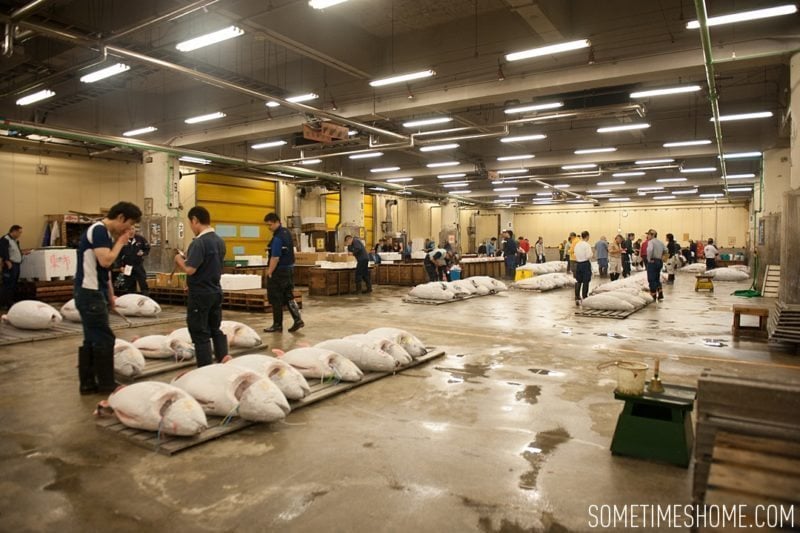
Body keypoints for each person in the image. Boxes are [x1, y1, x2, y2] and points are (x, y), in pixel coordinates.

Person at [74, 202, 141, 394]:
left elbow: (104, 270)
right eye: (128, 225)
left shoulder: (103, 233)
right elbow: (106, 260)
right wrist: (121, 241)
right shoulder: (99, 231)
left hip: (95, 292)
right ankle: (106, 384)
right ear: (120, 218)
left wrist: (110, 295)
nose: (128, 230)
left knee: (91, 338)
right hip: (90, 293)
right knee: (104, 338)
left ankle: (88, 384)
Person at [174, 206, 229, 367]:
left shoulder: (199, 243)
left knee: (200, 332)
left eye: (190, 223)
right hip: (215, 291)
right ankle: (223, 360)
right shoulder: (219, 241)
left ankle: (205, 369)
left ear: (195, 220)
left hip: (200, 295)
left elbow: (190, 269)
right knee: (215, 329)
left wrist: (179, 259)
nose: (191, 227)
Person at [262, 212, 304, 333]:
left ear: (276, 222)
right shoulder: (286, 233)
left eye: (270, 225)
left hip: (279, 272)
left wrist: (269, 272)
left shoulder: (278, 237)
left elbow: (275, 257)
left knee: (276, 298)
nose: (269, 227)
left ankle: (277, 325)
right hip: (289, 270)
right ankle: (298, 319)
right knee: (288, 296)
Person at [1, 225, 31, 309]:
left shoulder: (15, 241)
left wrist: (23, 253)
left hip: (16, 265)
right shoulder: (5, 239)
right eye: (19, 232)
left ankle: (10, 301)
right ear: (14, 231)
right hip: (10, 265)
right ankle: (4, 303)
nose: (20, 234)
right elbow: (3, 251)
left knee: (13, 284)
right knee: (8, 284)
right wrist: (7, 261)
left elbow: (15, 251)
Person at [119, 230, 151, 295]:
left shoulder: (140, 238)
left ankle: (145, 298)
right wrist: (120, 265)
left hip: (138, 265)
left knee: (143, 282)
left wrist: (143, 253)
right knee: (129, 285)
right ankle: (131, 299)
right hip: (127, 266)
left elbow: (147, 248)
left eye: (132, 229)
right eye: (129, 229)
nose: (131, 231)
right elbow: (118, 254)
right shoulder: (123, 239)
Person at [646, 229, 666, 301]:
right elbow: (666, 250)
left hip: (653, 261)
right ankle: (660, 293)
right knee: (657, 278)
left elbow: (649, 250)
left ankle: (653, 295)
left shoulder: (651, 242)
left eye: (648, 234)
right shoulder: (661, 242)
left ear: (652, 235)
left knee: (651, 279)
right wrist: (663, 258)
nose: (647, 236)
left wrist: (648, 259)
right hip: (659, 261)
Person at [573, 231, 593, 305]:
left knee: (578, 280)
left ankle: (577, 297)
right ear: (587, 236)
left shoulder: (577, 245)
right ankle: (584, 297)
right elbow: (588, 255)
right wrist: (592, 255)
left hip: (578, 264)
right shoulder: (587, 245)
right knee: (586, 281)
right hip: (585, 264)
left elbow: (575, 254)